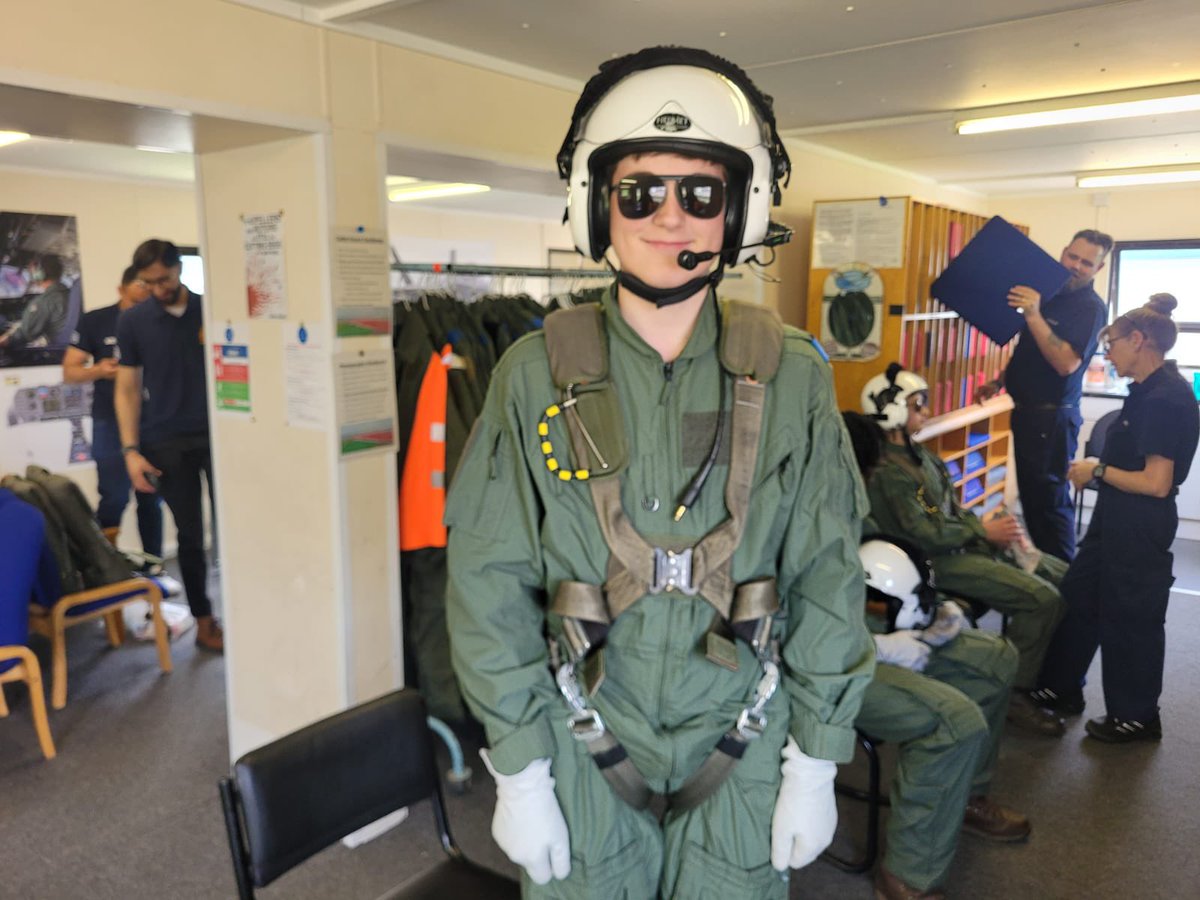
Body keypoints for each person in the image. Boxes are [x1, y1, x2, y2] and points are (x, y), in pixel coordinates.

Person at [445, 47, 874, 899]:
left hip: (743, 735)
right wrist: (522, 773)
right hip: (583, 734)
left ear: (738, 211)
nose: (669, 217)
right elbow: (486, 584)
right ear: (599, 204)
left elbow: (828, 572)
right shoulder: (532, 374)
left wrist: (819, 757)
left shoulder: (792, 372)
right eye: (640, 191)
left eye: (701, 192)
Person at [844, 412, 1030, 900]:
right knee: (954, 722)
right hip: (827, 661)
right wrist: (877, 645)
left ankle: (967, 797)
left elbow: (873, 562)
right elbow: (788, 624)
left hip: (873, 632)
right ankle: (907, 873)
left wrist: (926, 610)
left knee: (996, 659)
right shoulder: (783, 513)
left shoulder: (847, 499)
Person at [862, 363, 1069, 737]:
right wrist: (983, 530)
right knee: (1043, 599)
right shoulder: (888, 471)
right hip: (934, 562)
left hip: (961, 546)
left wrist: (989, 532)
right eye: (917, 405)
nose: (925, 411)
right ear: (891, 409)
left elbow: (950, 511)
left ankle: (1049, 677)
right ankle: (1018, 691)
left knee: (1061, 575)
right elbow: (925, 533)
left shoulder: (922, 457)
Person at [1035, 295, 1199, 743]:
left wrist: (1097, 471)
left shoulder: (1165, 398)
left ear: (1138, 340)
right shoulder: (1147, 388)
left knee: (1131, 620)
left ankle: (1136, 717)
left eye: (1112, 345)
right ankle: (1060, 688)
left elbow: (1157, 483)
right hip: (1115, 516)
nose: (1107, 354)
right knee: (1080, 595)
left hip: (1140, 522)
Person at [979, 230, 1112, 562]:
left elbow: (1066, 363)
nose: (1076, 266)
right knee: (1034, 503)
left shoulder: (1090, 308)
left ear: (1099, 268)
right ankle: (1047, 579)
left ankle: (1062, 586)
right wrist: (999, 382)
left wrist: (1034, 315)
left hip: (1050, 418)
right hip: (1026, 413)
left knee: (1050, 508)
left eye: (1086, 263)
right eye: (1073, 257)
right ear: (1063, 252)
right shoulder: (1049, 293)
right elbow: (1029, 350)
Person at [116, 239, 222, 652]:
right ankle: (204, 619)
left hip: (218, 436)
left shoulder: (209, 310)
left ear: (179, 269)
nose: (158, 287)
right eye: (149, 281)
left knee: (234, 529)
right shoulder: (134, 321)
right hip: (166, 441)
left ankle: (249, 609)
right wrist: (130, 451)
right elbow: (127, 387)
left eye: (164, 278)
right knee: (191, 536)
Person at [63, 266, 163, 558]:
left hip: (154, 419)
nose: (145, 295)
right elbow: (70, 370)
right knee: (114, 497)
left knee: (150, 496)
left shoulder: (159, 320)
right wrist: (99, 369)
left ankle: (154, 565)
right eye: (139, 288)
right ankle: (104, 567)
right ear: (121, 289)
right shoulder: (96, 320)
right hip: (109, 421)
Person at [0, 254, 70, 347]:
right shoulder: (68, 293)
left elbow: (23, 335)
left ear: (40, 274)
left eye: (32, 272)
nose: (31, 275)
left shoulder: (45, 301)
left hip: (57, 351)